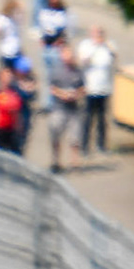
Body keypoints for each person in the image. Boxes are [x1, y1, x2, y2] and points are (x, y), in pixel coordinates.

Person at [46, 42, 85, 172]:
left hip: (73, 109)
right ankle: (56, 160)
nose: (68, 57)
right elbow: (52, 88)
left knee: (75, 136)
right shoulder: (56, 70)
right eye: (66, 54)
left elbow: (83, 88)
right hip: (59, 107)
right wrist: (62, 94)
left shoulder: (78, 71)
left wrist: (76, 95)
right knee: (55, 134)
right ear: (62, 55)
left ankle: (75, 161)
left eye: (70, 54)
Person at [77, 25, 116, 156]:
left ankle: (102, 145)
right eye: (96, 33)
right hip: (90, 88)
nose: (98, 35)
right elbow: (84, 61)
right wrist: (95, 46)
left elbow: (113, 56)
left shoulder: (108, 46)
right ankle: (85, 147)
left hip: (104, 88)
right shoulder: (86, 45)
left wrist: (105, 45)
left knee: (102, 119)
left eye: (101, 33)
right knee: (88, 118)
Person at [34, 0, 72, 109]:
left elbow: (65, 29)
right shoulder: (45, 9)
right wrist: (41, 39)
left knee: (55, 75)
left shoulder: (62, 11)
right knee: (46, 75)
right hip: (46, 47)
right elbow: (41, 26)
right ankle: (46, 102)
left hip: (56, 48)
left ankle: (55, 101)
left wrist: (61, 41)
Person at [0, 0, 24, 74]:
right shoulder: (2, 19)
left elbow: (22, 12)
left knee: (21, 73)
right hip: (6, 52)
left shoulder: (15, 18)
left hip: (16, 50)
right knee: (6, 74)